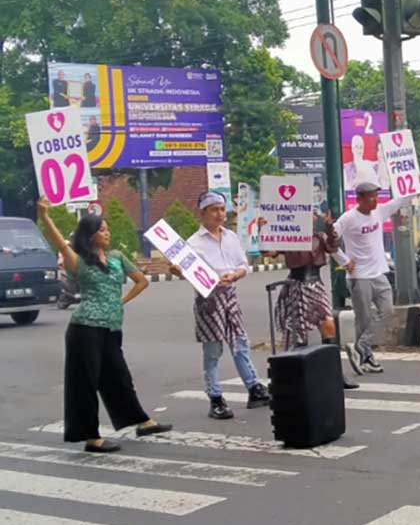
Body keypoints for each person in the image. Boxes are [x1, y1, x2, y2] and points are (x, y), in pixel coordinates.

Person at [36, 197, 171, 453]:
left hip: (111, 329)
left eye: (107, 229)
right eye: (101, 230)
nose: (107, 233)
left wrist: (122, 301)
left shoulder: (118, 257)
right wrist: (44, 216)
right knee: (85, 383)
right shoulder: (79, 262)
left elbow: (141, 281)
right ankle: (91, 438)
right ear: (89, 235)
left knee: (119, 377)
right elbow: (56, 240)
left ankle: (142, 421)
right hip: (84, 329)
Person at [174, 192, 270, 420]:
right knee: (213, 349)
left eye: (221, 209)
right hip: (208, 298)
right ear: (203, 213)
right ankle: (215, 397)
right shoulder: (193, 243)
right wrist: (179, 270)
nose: (219, 214)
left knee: (240, 341)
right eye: (214, 210)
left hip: (230, 293)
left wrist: (235, 275)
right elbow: (184, 270)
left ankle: (253, 387)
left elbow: (243, 264)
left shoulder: (231, 237)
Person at [270, 211, 359, 389]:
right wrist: (262, 229)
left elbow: (333, 247)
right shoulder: (288, 237)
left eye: (311, 214)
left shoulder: (320, 237)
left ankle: (335, 374)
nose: (311, 217)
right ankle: (292, 377)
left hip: (315, 283)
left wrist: (330, 228)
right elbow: (268, 251)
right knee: (296, 333)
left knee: (328, 325)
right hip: (296, 285)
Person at [334, 181, 414, 375]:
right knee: (364, 319)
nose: (375, 200)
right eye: (370, 197)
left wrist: (414, 184)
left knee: (387, 310)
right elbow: (330, 240)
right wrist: (344, 260)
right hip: (358, 276)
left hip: (378, 273)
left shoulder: (380, 211)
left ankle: (361, 345)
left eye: (376, 196)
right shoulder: (348, 218)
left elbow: (401, 200)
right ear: (359, 198)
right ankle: (367, 358)